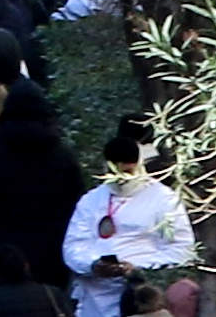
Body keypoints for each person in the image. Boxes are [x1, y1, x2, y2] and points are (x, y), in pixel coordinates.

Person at [62, 126, 193, 317]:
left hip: (146, 300)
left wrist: (136, 267)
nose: (124, 180)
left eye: (129, 173)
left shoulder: (164, 199)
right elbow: (73, 247)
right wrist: (93, 265)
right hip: (97, 299)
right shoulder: (91, 201)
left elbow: (182, 250)